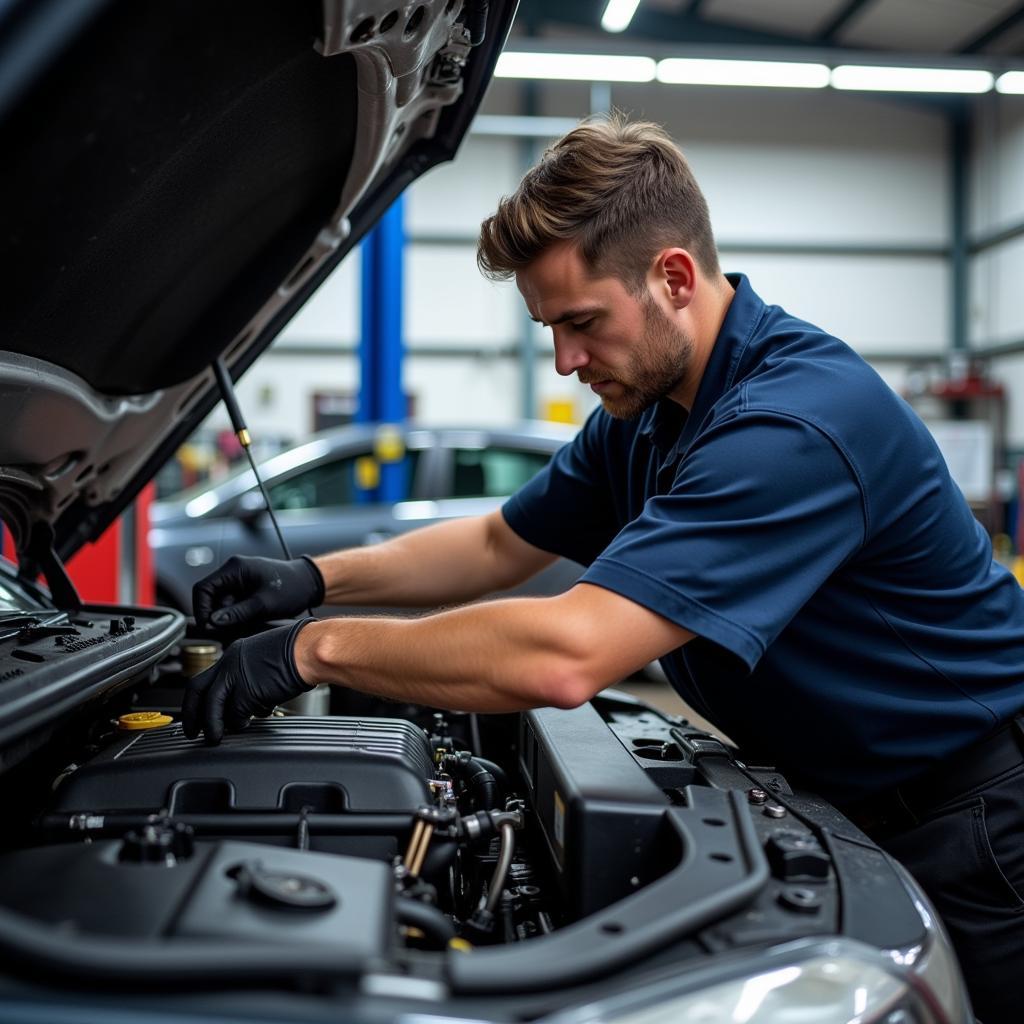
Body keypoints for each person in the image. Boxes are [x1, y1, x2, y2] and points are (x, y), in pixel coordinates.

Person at [184, 115, 1024, 1021]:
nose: (566, 360)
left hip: (973, 824)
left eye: (582, 323)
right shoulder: (648, 412)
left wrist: (313, 650)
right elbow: (499, 544)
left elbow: (566, 655)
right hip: (849, 799)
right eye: (551, 329)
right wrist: (315, 578)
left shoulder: (794, 424)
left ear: (672, 276)